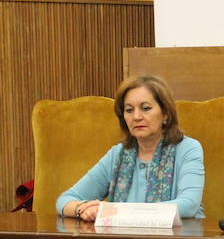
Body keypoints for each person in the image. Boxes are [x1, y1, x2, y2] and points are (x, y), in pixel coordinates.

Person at [57, 75, 205, 221]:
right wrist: (83, 209)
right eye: (129, 110)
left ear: (165, 113)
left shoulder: (188, 149)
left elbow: (188, 205)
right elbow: (64, 200)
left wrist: (115, 211)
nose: (136, 116)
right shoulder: (118, 154)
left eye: (145, 108)